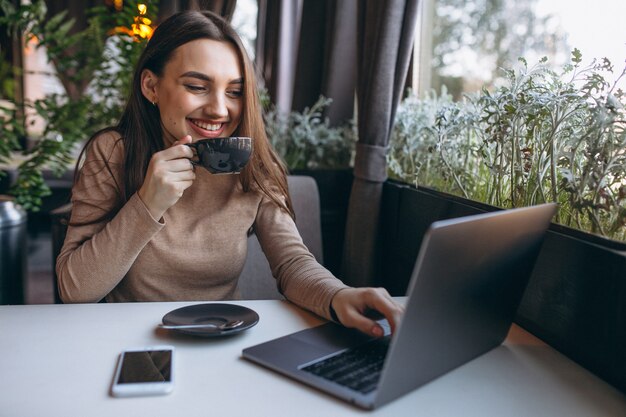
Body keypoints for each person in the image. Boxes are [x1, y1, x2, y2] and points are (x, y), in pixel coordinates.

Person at [56, 10, 403, 337]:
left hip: (222, 338)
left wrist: (337, 296)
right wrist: (147, 204)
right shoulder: (113, 153)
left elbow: (292, 262)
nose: (220, 109)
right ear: (151, 87)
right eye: (197, 86)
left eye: (235, 92)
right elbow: (74, 290)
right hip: (128, 342)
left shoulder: (252, 162)